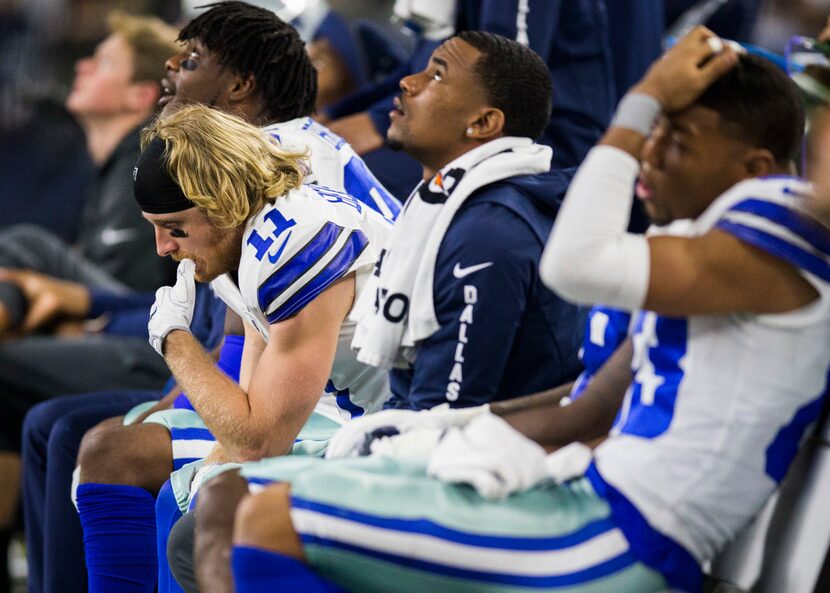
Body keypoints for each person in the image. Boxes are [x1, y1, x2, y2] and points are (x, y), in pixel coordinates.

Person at [219, 28, 830, 593]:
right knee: (248, 501)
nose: (651, 151)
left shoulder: (774, 225)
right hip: (595, 497)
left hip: (627, 536)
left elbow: (576, 262)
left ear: (757, 169)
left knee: (271, 521)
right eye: (656, 130)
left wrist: (641, 101)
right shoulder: (705, 253)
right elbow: (588, 403)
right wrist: (435, 431)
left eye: (679, 139)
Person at [169, 30, 588, 593]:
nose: (408, 81)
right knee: (214, 501)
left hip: (483, 473)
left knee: (223, 518)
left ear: (483, 124)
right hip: (416, 431)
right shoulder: (444, 203)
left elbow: (452, 409)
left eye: (437, 74)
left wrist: (366, 443)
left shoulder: (489, 235)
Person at [70, 5, 398, 593]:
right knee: (183, 491)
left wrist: (175, 343)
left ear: (217, 204)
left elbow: (260, 439)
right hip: (327, 403)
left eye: (173, 227)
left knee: (192, 517)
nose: (163, 249)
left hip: (387, 422)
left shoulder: (298, 239)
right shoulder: (245, 220)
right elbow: (245, 412)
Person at [0, 11, 178, 586]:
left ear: (139, 94)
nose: (79, 63)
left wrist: (84, 318)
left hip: (152, 345)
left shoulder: (145, 164)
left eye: (100, 60)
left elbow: (166, 300)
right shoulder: (107, 170)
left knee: (29, 246)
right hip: (121, 328)